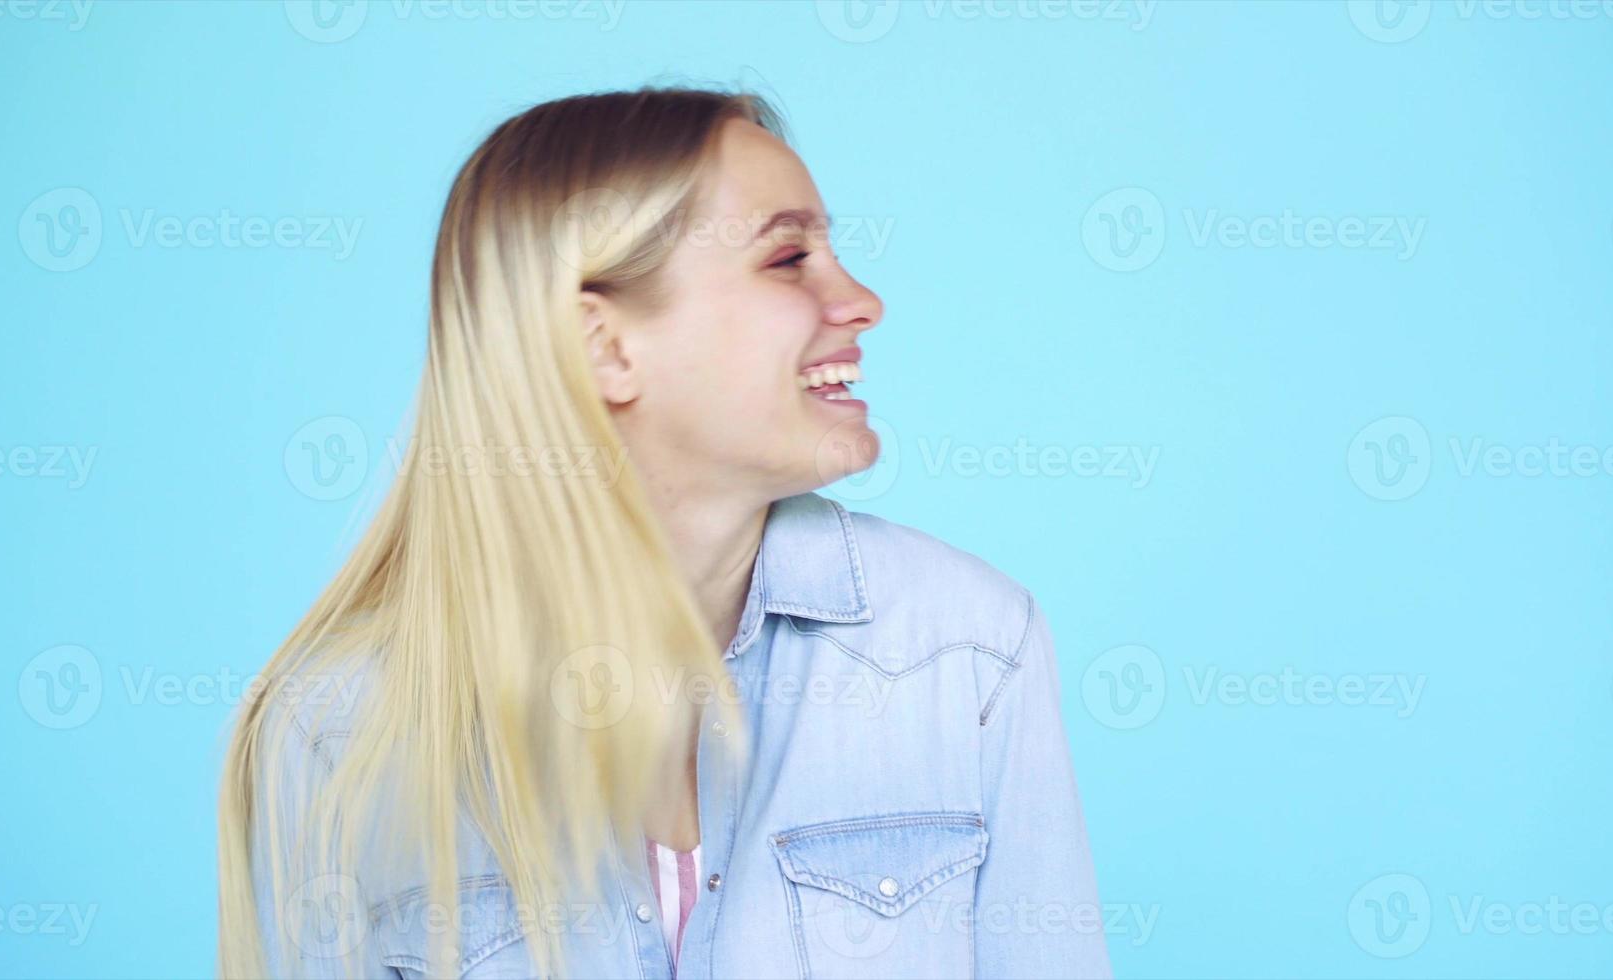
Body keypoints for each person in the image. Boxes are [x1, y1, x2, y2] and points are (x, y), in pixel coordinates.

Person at [217, 85, 1112, 980]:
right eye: (789, 257)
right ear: (602, 345)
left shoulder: (970, 650)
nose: (862, 301)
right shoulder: (336, 730)